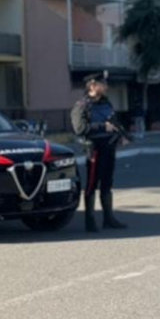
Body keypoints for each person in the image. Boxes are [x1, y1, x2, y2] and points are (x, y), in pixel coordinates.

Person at [70, 72, 127, 232]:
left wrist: (120, 134)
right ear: (93, 85)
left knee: (107, 183)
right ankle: (90, 220)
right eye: (103, 84)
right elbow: (80, 129)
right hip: (94, 149)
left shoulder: (106, 103)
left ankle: (108, 218)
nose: (106, 87)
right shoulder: (82, 106)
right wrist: (102, 127)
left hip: (109, 147)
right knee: (92, 184)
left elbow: (114, 121)